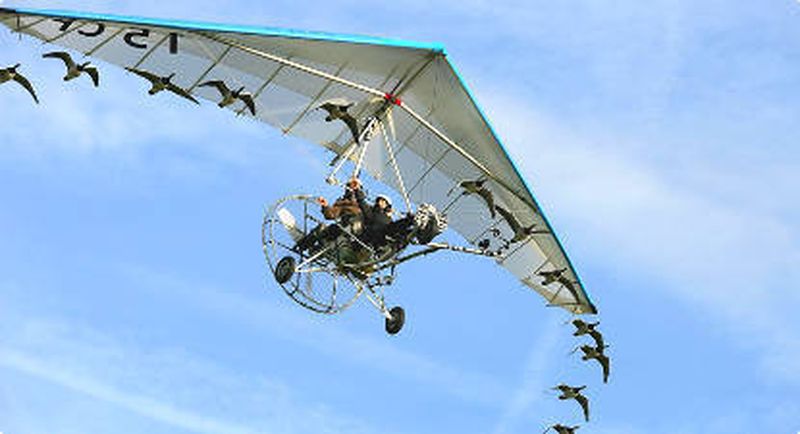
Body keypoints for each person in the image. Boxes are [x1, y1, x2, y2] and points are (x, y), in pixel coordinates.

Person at [294, 177, 365, 252]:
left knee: (347, 226)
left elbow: (365, 206)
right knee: (322, 228)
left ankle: (318, 248)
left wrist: (357, 190)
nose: (350, 189)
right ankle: (306, 247)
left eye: (354, 186)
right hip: (342, 228)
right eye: (349, 186)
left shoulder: (362, 203)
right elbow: (330, 215)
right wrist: (325, 206)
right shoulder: (342, 203)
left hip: (356, 230)